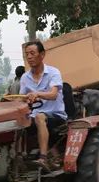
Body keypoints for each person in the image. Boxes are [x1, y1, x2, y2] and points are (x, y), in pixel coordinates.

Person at [20, 41, 67, 172]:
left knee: (40, 117)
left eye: (32, 53)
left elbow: (53, 94)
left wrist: (37, 94)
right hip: (33, 116)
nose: (29, 57)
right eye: (26, 54)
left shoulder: (53, 73)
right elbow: (22, 99)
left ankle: (43, 157)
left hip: (55, 115)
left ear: (42, 55)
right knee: (16, 122)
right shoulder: (25, 77)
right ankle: (19, 158)